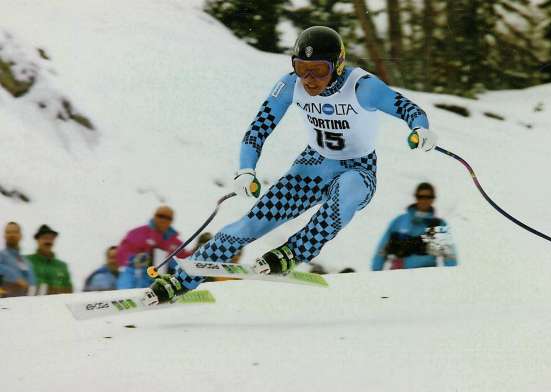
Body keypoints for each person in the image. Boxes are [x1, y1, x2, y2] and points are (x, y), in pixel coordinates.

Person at [148, 26, 444, 304]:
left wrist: (420, 128)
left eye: (319, 71)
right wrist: (246, 169)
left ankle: (296, 250)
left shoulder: (362, 87)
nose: (309, 79)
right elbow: (258, 128)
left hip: (358, 168)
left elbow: (407, 107)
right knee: (250, 224)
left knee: (348, 189)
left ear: (338, 65)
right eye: (301, 69)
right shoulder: (290, 85)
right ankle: (182, 280)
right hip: (312, 167)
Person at [371, 182, 457, 270]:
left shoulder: (438, 225)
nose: (424, 200)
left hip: (426, 277)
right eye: (421, 197)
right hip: (398, 276)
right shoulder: (399, 221)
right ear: (416, 197)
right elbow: (381, 251)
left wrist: (452, 277)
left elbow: (449, 255)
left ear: (433, 199)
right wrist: (374, 275)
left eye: (428, 197)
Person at [116, 206, 192, 289]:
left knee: (177, 268)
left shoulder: (176, 243)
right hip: (138, 275)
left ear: (171, 220)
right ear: (154, 216)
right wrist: (134, 259)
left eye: (168, 218)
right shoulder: (138, 233)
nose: (163, 220)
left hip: (162, 280)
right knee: (130, 271)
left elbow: (186, 260)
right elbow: (122, 253)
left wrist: (199, 248)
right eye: (160, 216)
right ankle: (127, 295)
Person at [26, 224, 72, 295]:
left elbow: (69, 290)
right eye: (45, 238)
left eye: (51, 238)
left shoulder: (62, 266)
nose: (48, 241)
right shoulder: (27, 261)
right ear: (37, 240)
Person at [0, 222, 36, 297]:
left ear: (21, 236)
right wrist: (14, 277)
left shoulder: (27, 262)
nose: (11, 235)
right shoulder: (1, 255)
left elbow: (33, 284)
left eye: (15, 232)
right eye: (8, 232)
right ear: (4, 235)